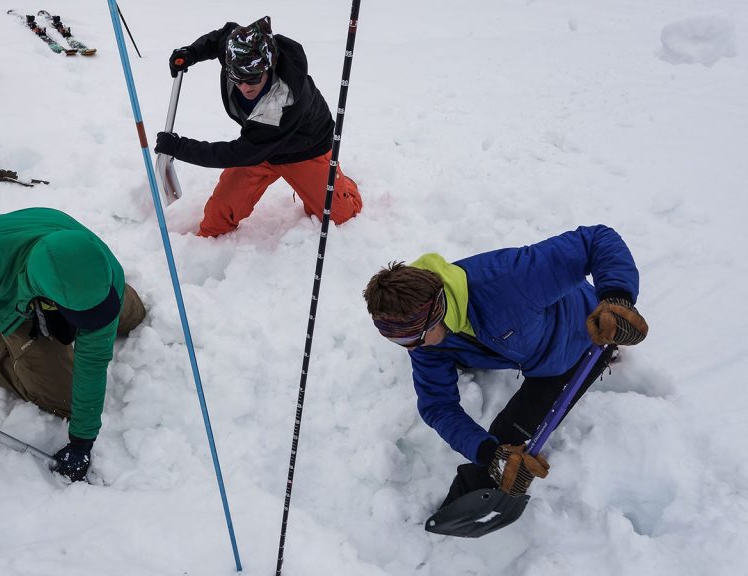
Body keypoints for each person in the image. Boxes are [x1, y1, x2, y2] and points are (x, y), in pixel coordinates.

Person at [362, 225, 649, 507]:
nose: (411, 349)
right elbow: (437, 406)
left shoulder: (509, 280)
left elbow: (595, 240)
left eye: (413, 339)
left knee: (510, 437)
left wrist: (618, 298)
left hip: (581, 339)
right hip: (512, 343)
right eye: (399, 342)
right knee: (500, 457)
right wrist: (488, 453)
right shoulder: (426, 336)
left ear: (437, 313)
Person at [0, 207, 146, 481]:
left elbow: (94, 359)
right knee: (64, 397)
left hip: (74, 279)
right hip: (10, 296)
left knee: (134, 315)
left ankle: (90, 302)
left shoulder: (107, 269)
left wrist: (82, 441)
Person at [154, 16, 363, 237]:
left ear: (269, 68)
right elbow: (220, 38)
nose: (244, 87)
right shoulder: (241, 48)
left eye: (252, 79)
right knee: (216, 222)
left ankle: (342, 183)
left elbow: (237, 153)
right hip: (258, 149)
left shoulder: (281, 104)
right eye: (237, 78)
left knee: (339, 216)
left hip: (305, 150)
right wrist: (192, 53)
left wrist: (178, 147)